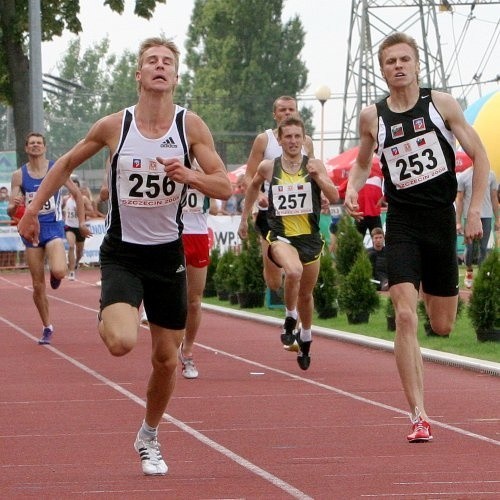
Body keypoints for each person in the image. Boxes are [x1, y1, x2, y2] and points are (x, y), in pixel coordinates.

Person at [17, 37, 232, 476]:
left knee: (167, 360)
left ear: (174, 75)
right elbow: (65, 164)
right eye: (150, 61)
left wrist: (189, 174)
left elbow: (225, 185)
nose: (159, 67)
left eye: (166, 62)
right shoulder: (116, 125)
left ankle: (149, 435)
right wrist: (33, 210)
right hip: (123, 254)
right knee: (120, 342)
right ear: (138, 74)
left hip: (167, 257)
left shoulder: (191, 128)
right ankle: (111, 309)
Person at [344, 32, 490, 443]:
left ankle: (435, 287)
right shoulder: (372, 117)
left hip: (441, 220)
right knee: (405, 315)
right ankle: (418, 415)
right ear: (382, 68)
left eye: (405, 59)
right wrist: (353, 187)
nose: (399, 67)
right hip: (402, 222)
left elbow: (480, 155)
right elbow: (360, 163)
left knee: (441, 324)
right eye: (391, 61)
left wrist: (474, 208)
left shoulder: (441, 104)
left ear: (417, 64)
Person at [239, 115, 338, 370]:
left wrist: (320, 178)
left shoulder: (313, 165)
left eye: (297, 137)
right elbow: (252, 187)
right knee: (293, 271)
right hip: (281, 237)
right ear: (280, 140)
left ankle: (306, 336)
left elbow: (334, 195)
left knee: (306, 294)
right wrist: (244, 218)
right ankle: (290, 317)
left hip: (310, 240)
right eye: (288, 137)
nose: (293, 141)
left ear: (303, 140)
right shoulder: (269, 167)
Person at [8, 132, 90, 344]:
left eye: (39, 143)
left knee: (60, 271)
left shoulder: (57, 169)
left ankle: (56, 274)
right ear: (26, 148)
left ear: (44, 147)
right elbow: (10, 210)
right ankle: (47, 326)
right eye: (32, 143)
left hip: (53, 227)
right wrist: (15, 204)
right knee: (37, 285)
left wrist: (81, 223)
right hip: (32, 230)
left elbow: (77, 195)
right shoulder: (19, 175)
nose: (35, 146)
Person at [243, 96, 315, 292]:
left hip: (300, 213)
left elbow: (312, 173)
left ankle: (291, 314)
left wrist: (321, 196)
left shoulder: (306, 141)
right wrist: (259, 197)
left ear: (297, 112)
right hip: (271, 213)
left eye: (291, 109)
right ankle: (280, 275)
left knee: (298, 270)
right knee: (274, 279)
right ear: (274, 114)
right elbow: (248, 177)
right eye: (282, 110)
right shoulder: (263, 140)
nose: (287, 113)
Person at [178, 168, 219, 379]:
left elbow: (215, 206)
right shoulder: (172, 161)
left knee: (194, 300)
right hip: (172, 234)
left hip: (198, 235)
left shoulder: (207, 168)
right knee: (172, 294)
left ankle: (187, 351)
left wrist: (198, 180)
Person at [455, 167, 498, 288]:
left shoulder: (491, 175)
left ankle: (482, 276)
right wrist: (458, 222)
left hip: (486, 216)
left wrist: (498, 219)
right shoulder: (463, 176)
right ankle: (469, 271)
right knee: (470, 248)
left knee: (484, 248)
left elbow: (494, 197)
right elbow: (459, 200)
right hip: (470, 218)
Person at [62, 178, 95, 280]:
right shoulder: (65, 199)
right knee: (71, 246)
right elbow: (60, 209)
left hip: (80, 228)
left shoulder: (83, 199)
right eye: (72, 186)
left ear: (78, 188)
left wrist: (81, 211)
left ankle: (76, 263)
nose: (73, 188)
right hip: (69, 227)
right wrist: (63, 217)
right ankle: (71, 271)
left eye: (76, 186)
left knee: (79, 251)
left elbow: (92, 213)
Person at [367, 227, 388, 291]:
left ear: (384, 238)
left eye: (380, 237)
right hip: (372, 279)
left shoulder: (389, 252)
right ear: (372, 239)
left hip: (385, 278)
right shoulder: (367, 252)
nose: (378, 240)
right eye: (376, 238)